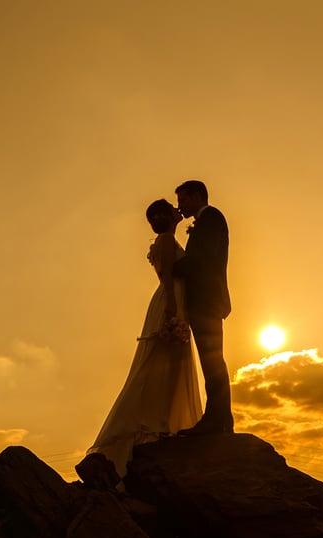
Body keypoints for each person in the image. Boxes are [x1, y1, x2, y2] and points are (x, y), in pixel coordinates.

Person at [84, 199, 203, 476]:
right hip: (171, 301)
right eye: (172, 208)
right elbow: (167, 275)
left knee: (173, 364)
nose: (178, 209)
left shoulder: (167, 239)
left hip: (176, 301)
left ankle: (165, 423)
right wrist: (172, 308)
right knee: (158, 362)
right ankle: (155, 423)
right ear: (165, 217)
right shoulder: (164, 240)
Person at [172, 180, 234, 435]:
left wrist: (173, 267)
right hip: (203, 300)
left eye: (183, 200)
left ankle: (217, 420)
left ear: (197, 196)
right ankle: (219, 418)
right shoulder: (206, 220)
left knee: (213, 360)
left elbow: (202, 259)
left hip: (207, 300)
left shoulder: (211, 218)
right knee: (211, 361)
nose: (180, 206)